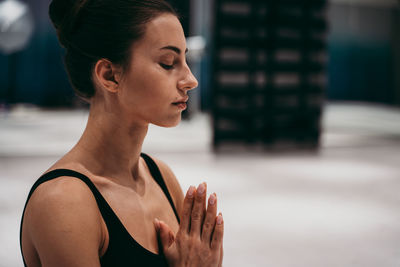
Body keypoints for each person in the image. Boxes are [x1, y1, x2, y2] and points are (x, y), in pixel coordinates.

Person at [19, 0, 224, 266]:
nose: (190, 80)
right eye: (167, 63)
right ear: (109, 76)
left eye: (185, 60)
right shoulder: (63, 202)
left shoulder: (160, 176)